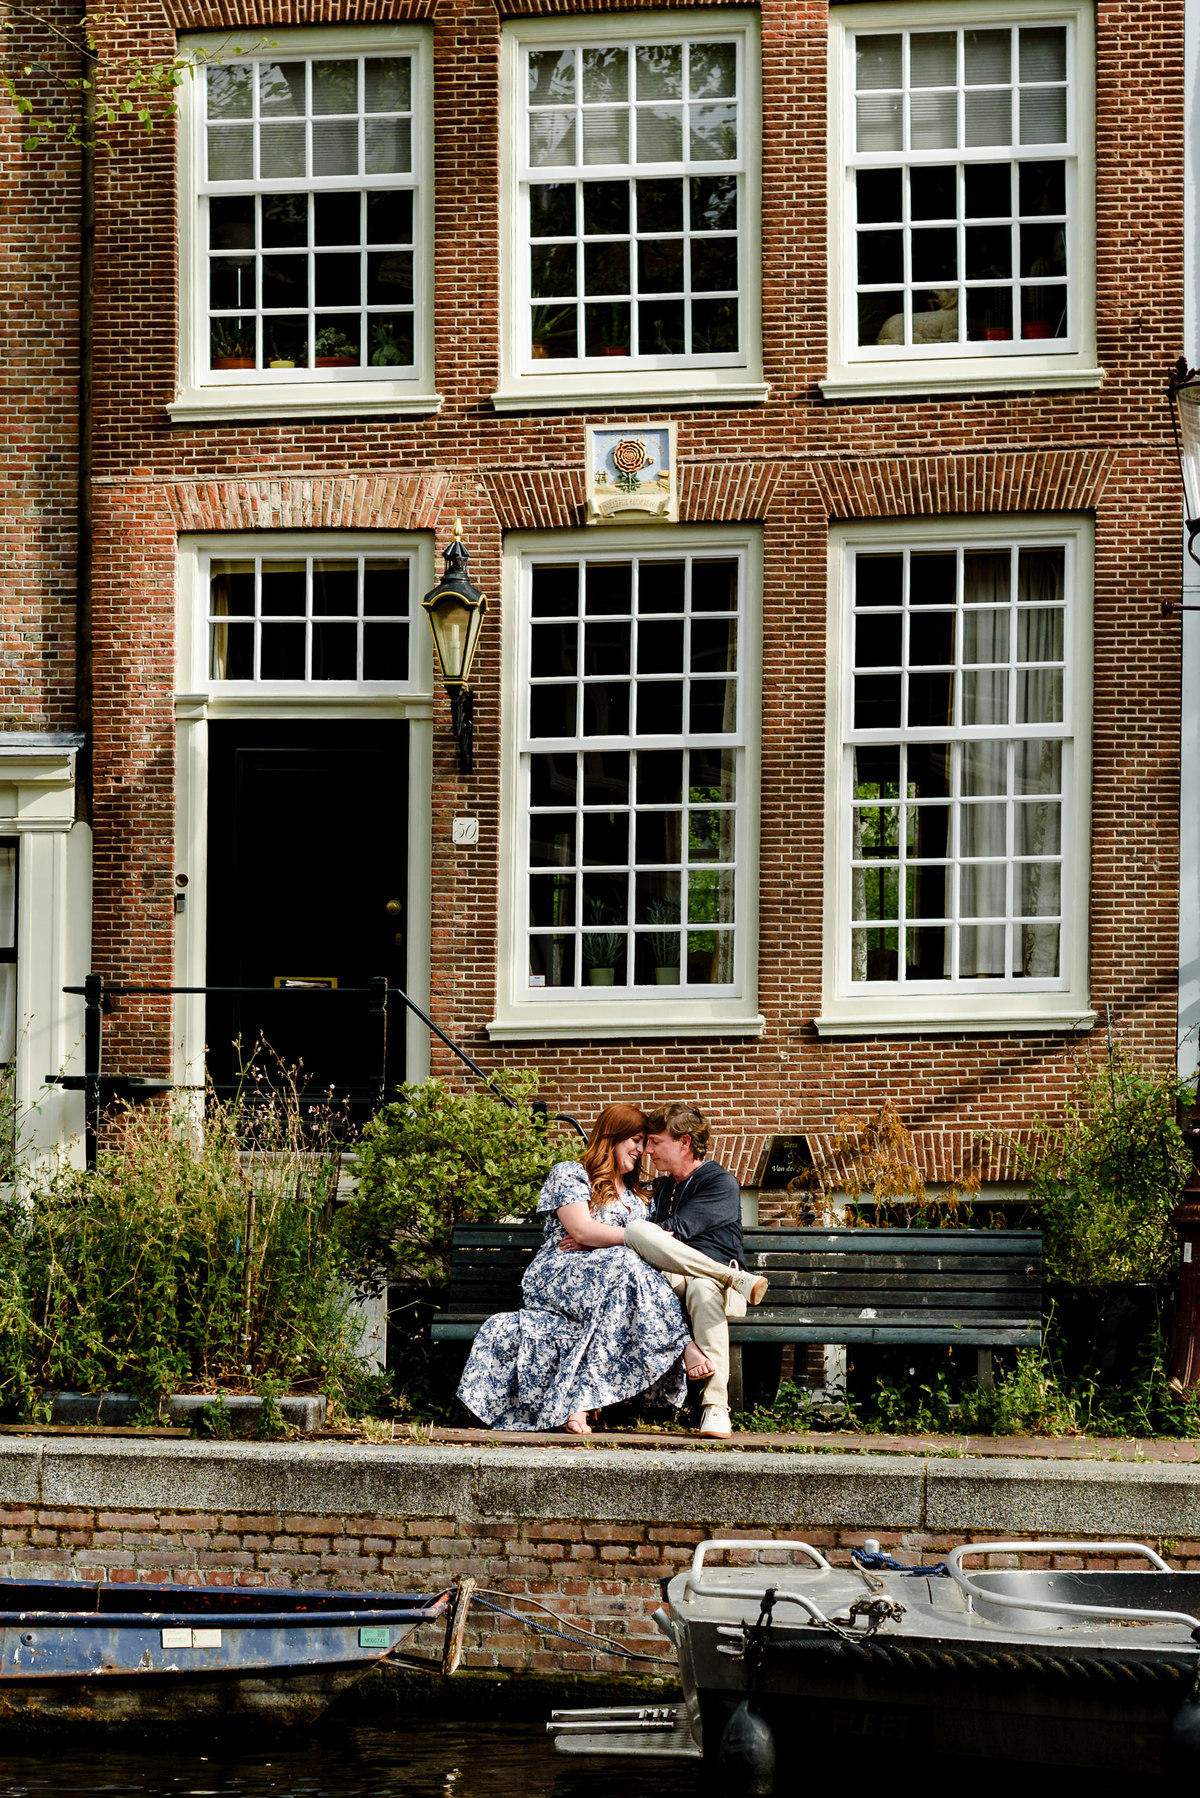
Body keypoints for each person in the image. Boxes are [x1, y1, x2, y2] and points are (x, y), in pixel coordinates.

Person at [456, 1103, 712, 1434]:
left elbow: (640, 1245)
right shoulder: (571, 1174)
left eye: (647, 1142)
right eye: (635, 1140)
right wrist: (630, 1238)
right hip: (561, 1274)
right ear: (612, 1137)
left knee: (620, 1286)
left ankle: (578, 1404)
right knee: (626, 1260)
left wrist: (610, 1241)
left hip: (614, 1283)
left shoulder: (640, 1194)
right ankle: (683, 1345)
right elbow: (581, 1230)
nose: (642, 1150)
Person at [621, 1101, 768, 1440]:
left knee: (702, 1286)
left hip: (719, 1292)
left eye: (655, 1142)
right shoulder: (663, 1187)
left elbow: (676, 1230)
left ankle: (716, 1406)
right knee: (637, 1251)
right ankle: (729, 1279)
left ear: (684, 1142)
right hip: (672, 1282)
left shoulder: (720, 1182)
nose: (648, 1150)